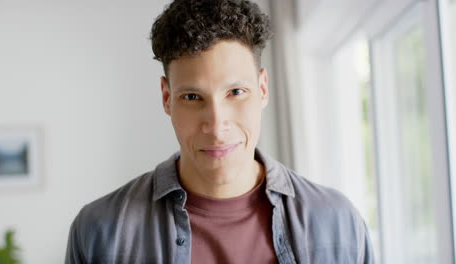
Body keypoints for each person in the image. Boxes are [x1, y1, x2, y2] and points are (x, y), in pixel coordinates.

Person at [65, 0, 375, 263]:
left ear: (263, 88)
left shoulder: (337, 224)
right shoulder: (99, 231)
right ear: (166, 98)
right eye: (192, 97)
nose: (216, 124)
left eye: (236, 92)